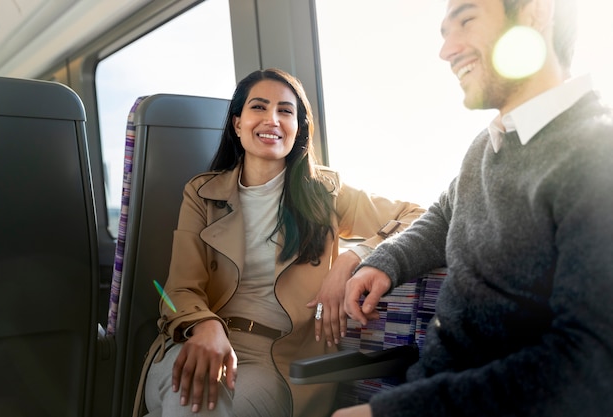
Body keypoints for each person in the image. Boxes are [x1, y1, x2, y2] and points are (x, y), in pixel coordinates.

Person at [335, 0, 613, 416]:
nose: (446, 50)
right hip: (431, 384)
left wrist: (391, 413)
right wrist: (385, 260)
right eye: (445, 32)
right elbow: (445, 213)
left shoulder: (596, 157)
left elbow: (589, 363)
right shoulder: (488, 145)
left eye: (466, 20)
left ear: (536, 13)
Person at [140, 68, 425, 417]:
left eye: (285, 111)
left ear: (299, 127)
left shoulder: (327, 194)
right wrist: (206, 326)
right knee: (187, 404)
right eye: (258, 107)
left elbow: (417, 216)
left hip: (276, 357)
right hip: (199, 338)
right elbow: (180, 289)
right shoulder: (202, 194)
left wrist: (355, 258)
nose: (272, 119)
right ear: (237, 123)